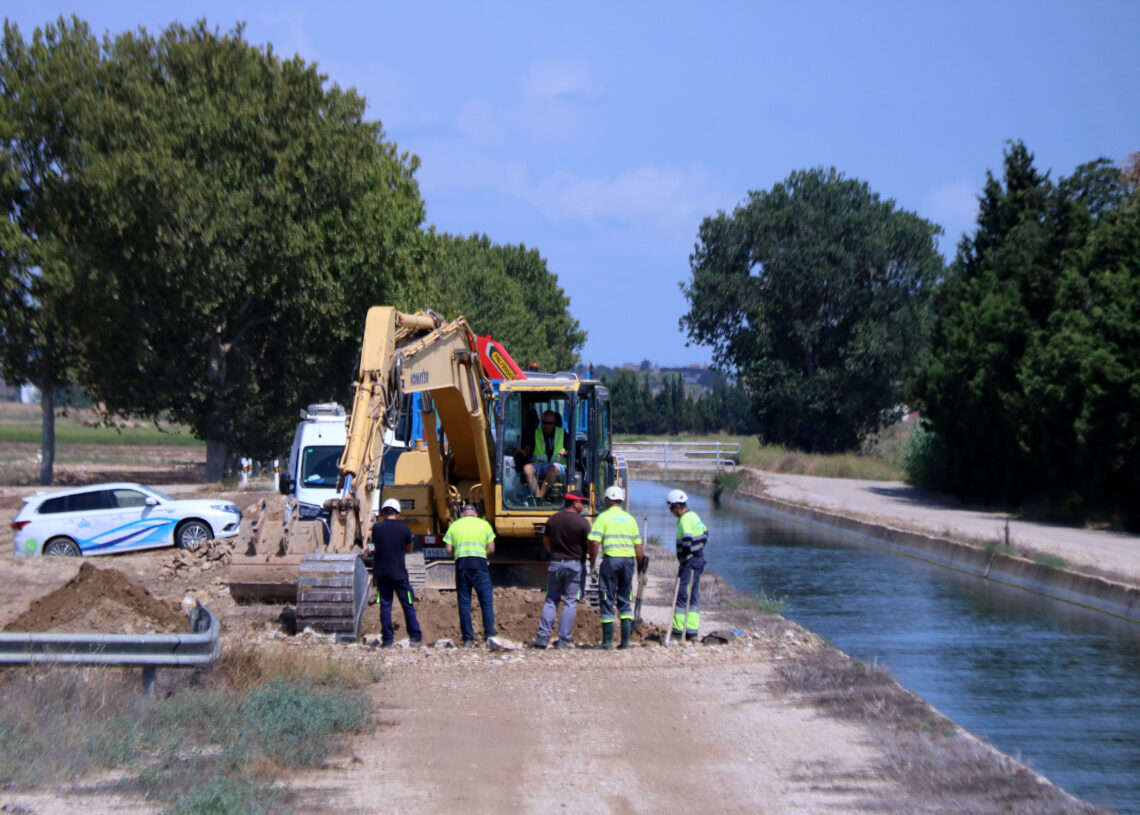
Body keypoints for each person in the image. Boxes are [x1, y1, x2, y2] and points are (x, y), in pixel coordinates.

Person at [531, 491, 592, 649]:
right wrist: (591, 559)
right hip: (575, 565)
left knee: (551, 599)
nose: (583, 506)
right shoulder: (582, 522)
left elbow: (546, 540)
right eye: (581, 502)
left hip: (556, 564)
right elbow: (590, 543)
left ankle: (543, 636)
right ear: (575, 504)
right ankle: (564, 639)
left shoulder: (553, 519)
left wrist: (553, 554)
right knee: (570, 601)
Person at [587, 485, 643, 649]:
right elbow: (639, 548)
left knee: (607, 598)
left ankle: (607, 642)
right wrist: (640, 568)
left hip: (611, 561)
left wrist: (592, 563)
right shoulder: (630, 519)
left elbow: (594, 542)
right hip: (628, 562)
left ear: (607, 500)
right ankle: (625, 642)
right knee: (625, 600)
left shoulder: (603, 518)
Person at [370, 498, 423, 647]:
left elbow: (376, 544)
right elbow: (409, 549)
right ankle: (415, 637)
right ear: (398, 514)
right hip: (400, 575)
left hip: (382, 575)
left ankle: (387, 640)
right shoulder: (404, 529)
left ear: (383, 513)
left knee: (385, 606)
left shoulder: (376, 528)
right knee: (408, 604)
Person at [443, 503, 497, 646]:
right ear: (476, 514)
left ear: (462, 515)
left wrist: (458, 553)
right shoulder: (484, 525)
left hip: (462, 565)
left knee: (464, 603)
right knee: (486, 602)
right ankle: (489, 636)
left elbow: (448, 550)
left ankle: (468, 639)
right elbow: (492, 548)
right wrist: (482, 553)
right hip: (480, 565)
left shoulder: (454, 526)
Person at [667, 489, 708, 641]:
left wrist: (684, 557)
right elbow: (705, 532)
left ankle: (678, 632)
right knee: (694, 595)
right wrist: (699, 549)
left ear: (677, 506)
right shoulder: (694, 516)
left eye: (671, 508)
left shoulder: (685, 520)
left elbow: (687, 540)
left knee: (682, 595)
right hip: (699, 559)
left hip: (690, 563)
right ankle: (692, 631)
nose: (671, 511)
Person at [518, 409, 567, 501]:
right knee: (527, 468)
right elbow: (528, 448)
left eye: (550, 423)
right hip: (539, 464)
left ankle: (540, 497)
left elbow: (570, 449)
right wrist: (522, 452)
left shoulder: (562, 433)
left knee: (552, 469)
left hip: (557, 465)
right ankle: (537, 497)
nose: (547, 426)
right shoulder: (536, 433)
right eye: (545, 423)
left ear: (555, 422)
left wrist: (566, 452)